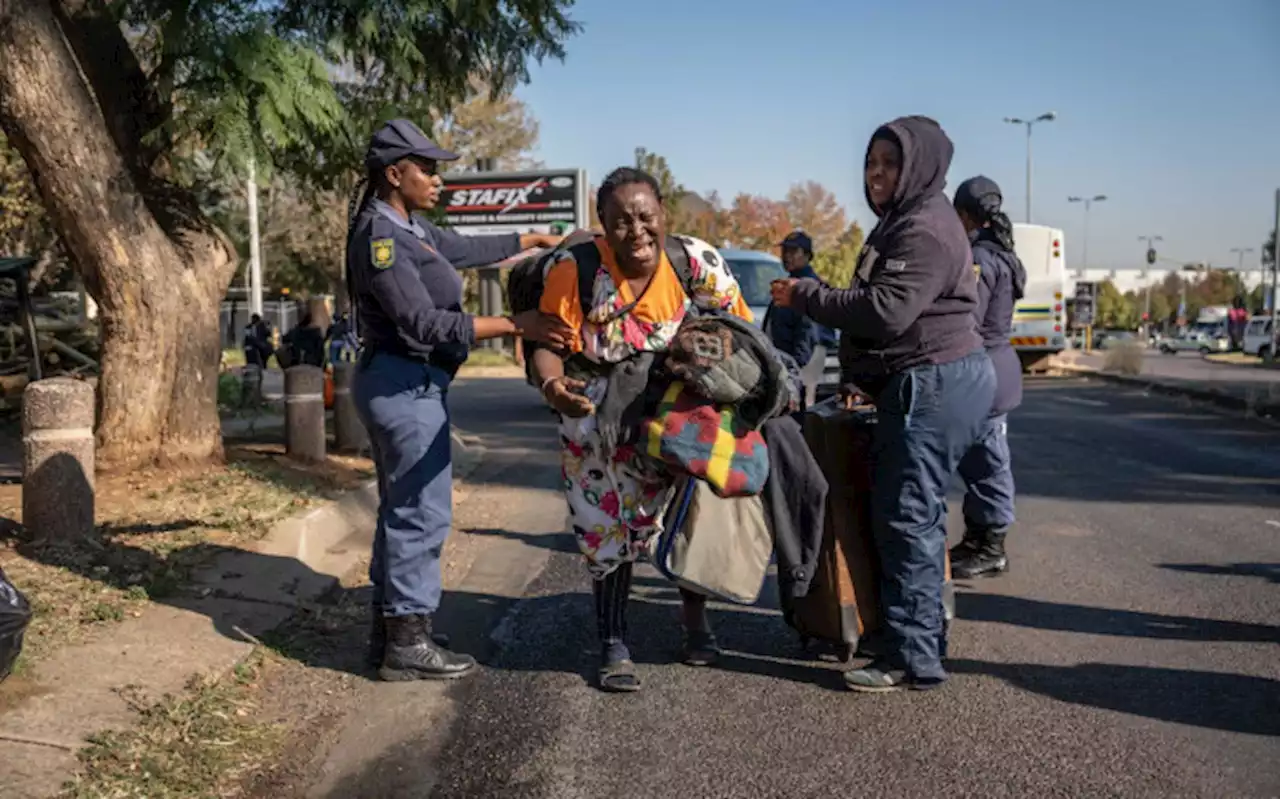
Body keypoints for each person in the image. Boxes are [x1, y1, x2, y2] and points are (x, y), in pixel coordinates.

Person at [770, 115, 996, 692]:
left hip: (934, 382)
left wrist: (806, 296)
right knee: (902, 514)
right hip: (919, 380)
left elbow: (886, 310)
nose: (876, 174)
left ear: (917, 167)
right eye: (871, 163)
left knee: (909, 519)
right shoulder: (906, 219)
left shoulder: (922, 226)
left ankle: (912, 658)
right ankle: (905, 635)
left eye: (889, 163)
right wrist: (866, 379)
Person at [347, 118, 571, 681]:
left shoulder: (411, 226)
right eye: (428, 168)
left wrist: (533, 240)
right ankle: (406, 643)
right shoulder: (381, 239)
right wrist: (518, 325)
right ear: (395, 174)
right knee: (421, 514)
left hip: (410, 385)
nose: (438, 178)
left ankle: (397, 633)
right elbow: (421, 323)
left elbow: (466, 249)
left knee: (404, 510)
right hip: (403, 384)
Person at [532, 167, 754, 693]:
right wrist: (552, 387)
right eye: (620, 221)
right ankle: (613, 644)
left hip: (676, 417)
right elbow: (549, 341)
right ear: (602, 226)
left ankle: (695, 621)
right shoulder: (576, 268)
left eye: (645, 217)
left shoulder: (694, 261)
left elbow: (743, 328)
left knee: (690, 513)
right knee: (607, 530)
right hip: (597, 426)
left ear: (663, 216)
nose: (636, 231)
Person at [949, 176, 1026, 580]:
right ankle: (978, 539)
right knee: (980, 461)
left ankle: (991, 547)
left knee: (988, 463)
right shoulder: (1005, 254)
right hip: (999, 368)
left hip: (986, 374)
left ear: (964, 215)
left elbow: (968, 322)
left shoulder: (979, 258)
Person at [764, 231, 838, 408]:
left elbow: (809, 331)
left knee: (800, 419)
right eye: (784, 251)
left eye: (792, 251)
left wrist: (793, 370)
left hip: (803, 367)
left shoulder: (807, 286)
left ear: (807, 255)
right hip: (791, 363)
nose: (786, 256)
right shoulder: (790, 282)